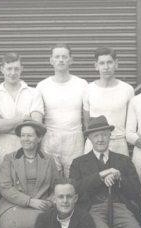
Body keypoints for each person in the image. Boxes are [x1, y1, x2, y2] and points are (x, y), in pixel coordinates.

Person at [70, 116, 141, 228]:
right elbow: (75, 190)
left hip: (119, 206)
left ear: (110, 136)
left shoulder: (123, 161)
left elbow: (135, 191)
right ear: (89, 139)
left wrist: (119, 178)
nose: (100, 139)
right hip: (93, 209)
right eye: (96, 136)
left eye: (104, 134)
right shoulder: (79, 163)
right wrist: (101, 176)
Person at [36, 43, 88, 177]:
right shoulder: (42, 86)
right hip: (50, 138)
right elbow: (37, 117)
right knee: (51, 181)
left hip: (75, 139)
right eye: (57, 56)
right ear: (51, 60)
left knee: (74, 180)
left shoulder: (81, 84)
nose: (61, 60)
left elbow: (87, 115)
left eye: (64, 56)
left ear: (71, 60)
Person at [0, 53, 43, 163]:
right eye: (9, 68)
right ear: (2, 69)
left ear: (22, 69)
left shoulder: (34, 93)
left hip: (29, 153)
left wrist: (5, 125)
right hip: (1, 152)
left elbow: (36, 125)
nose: (13, 73)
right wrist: (23, 119)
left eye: (16, 69)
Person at [83, 47, 134, 156]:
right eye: (102, 63)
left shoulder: (127, 89)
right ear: (96, 66)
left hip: (118, 143)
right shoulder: (88, 89)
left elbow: (130, 122)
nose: (106, 67)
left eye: (109, 62)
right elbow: (87, 121)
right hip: (94, 144)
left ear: (116, 64)